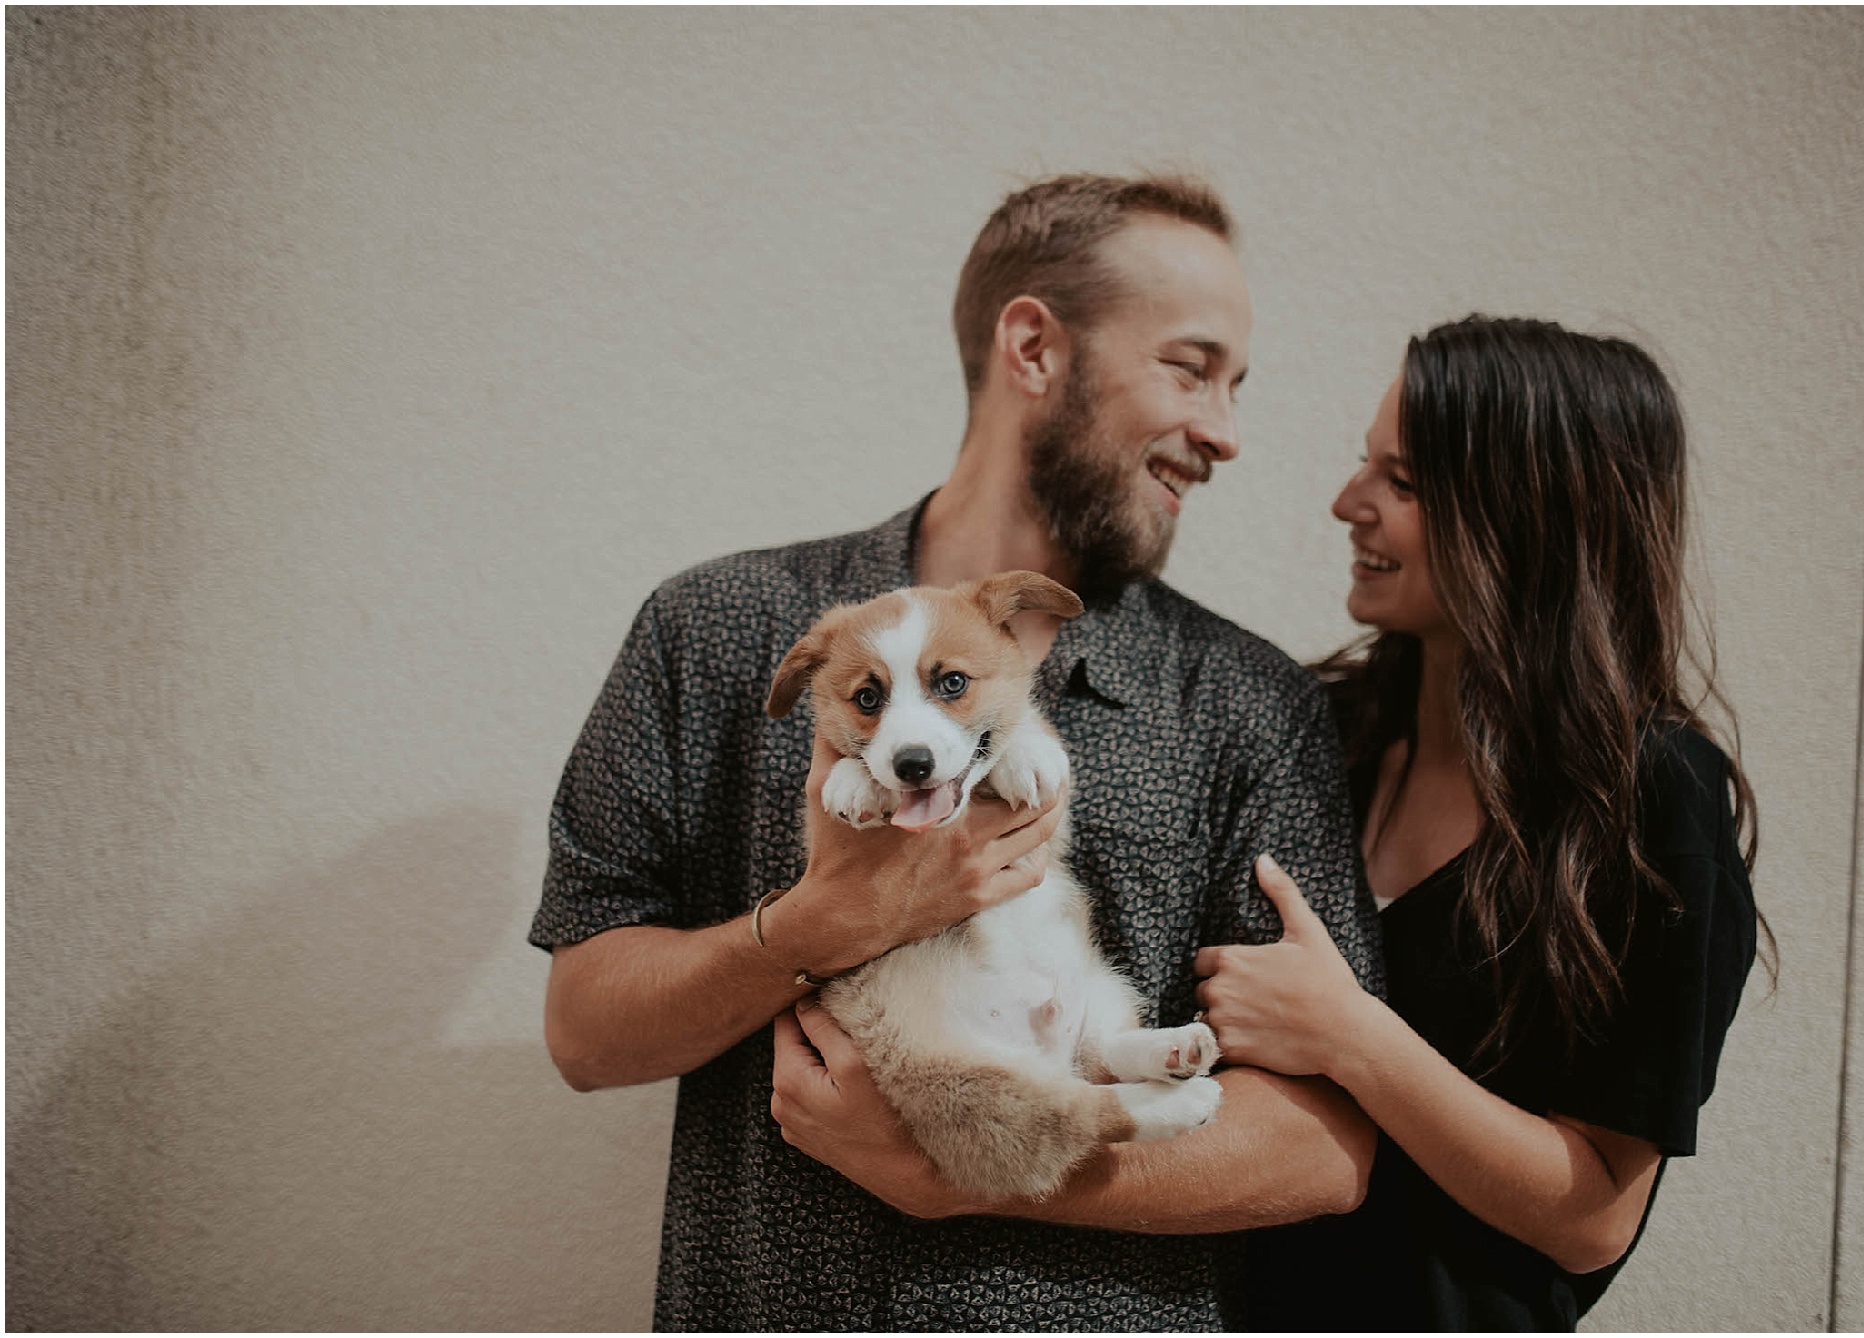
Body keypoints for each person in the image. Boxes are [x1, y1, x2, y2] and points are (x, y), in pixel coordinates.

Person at [531, 173, 1384, 1331]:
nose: (1224, 434)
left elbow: (1323, 1149)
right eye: (1190, 369)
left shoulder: (1243, 703)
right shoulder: (721, 630)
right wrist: (819, 925)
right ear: (1033, 346)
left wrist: (966, 1172)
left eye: (1234, 387)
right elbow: (586, 1031)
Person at [1192, 316, 1766, 1330]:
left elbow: (1590, 1217)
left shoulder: (1649, 804)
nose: (1345, 505)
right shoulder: (1317, 733)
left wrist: (1349, 1036)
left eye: (1402, 484)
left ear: (1529, 515)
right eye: (1362, 467)